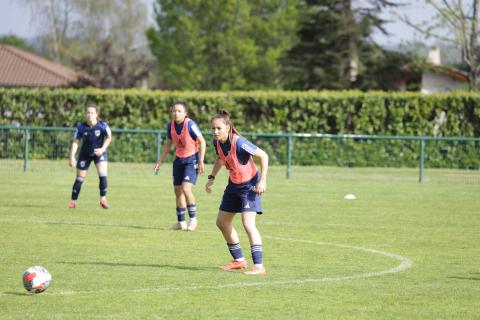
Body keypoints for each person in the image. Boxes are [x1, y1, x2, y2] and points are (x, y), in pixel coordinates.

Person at [205, 109, 268, 276]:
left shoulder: (239, 143)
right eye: (213, 129)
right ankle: (239, 261)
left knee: (248, 224)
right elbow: (220, 158)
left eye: (219, 128)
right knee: (222, 222)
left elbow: (263, 156)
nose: (215, 131)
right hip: (233, 185)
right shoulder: (217, 143)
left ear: (228, 127)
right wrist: (211, 177)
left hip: (250, 186)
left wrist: (262, 181)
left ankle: (259, 266)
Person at [154, 101, 206, 231]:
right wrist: (159, 161)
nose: (176, 113)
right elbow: (168, 145)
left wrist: (201, 160)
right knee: (178, 192)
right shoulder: (170, 125)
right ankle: (181, 223)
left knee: (186, 189)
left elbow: (202, 141)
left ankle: (193, 220)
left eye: (179, 111)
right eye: (174, 111)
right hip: (178, 160)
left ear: (185, 113)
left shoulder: (190, 125)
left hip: (191, 159)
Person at [68, 102, 112, 209]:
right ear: (85, 114)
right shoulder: (81, 127)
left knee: (103, 174)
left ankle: (103, 200)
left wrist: (102, 149)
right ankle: (73, 202)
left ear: (96, 114)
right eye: (88, 112)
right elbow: (76, 142)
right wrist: (72, 156)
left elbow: (109, 137)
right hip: (85, 154)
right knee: (79, 178)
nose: (90, 115)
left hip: (99, 153)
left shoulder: (103, 125)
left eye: (92, 113)